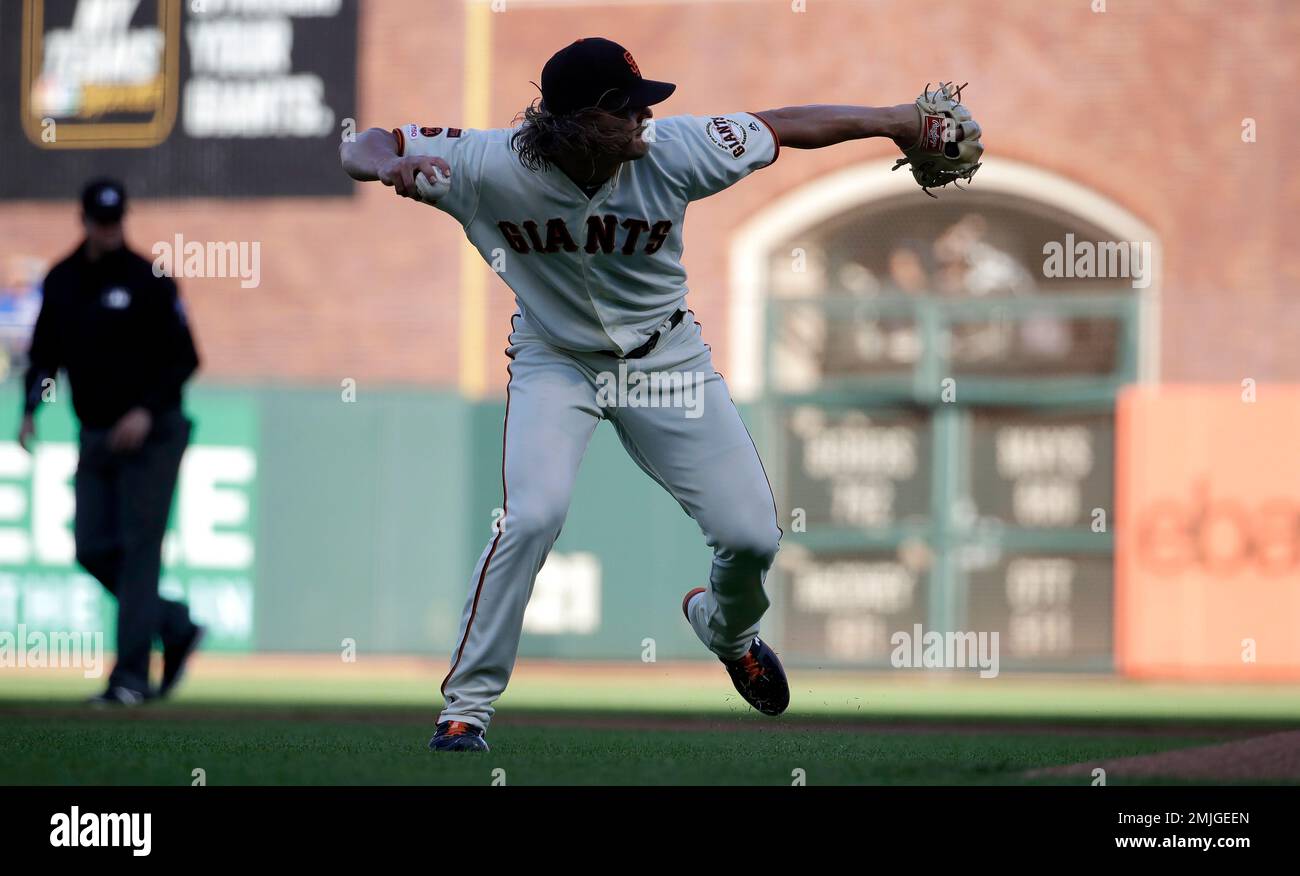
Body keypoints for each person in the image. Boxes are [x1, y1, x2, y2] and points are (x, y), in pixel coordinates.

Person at [341, 37, 973, 752]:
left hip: (667, 357)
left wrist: (893, 118)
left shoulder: (677, 148)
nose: (645, 118)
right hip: (557, 360)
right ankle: (467, 709)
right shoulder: (486, 164)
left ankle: (727, 632)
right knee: (531, 517)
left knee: (751, 535)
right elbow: (359, 145)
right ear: (578, 122)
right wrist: (391, 164)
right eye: (627, 109)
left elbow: (786, 124)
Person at [19, 179, 204, 706]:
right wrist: (31, 410)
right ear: (83, 220)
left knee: (139, 550)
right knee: (91, 547)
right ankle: (173, 624)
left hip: (153, 434)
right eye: (100, 220)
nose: (108, 228)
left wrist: (145, 410)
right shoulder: (62, 281)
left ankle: (129, 679)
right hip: (97, 434)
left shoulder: (149, 280)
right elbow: (43, 356)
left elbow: (185, 358)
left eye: (115, 219)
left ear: (124, 219)